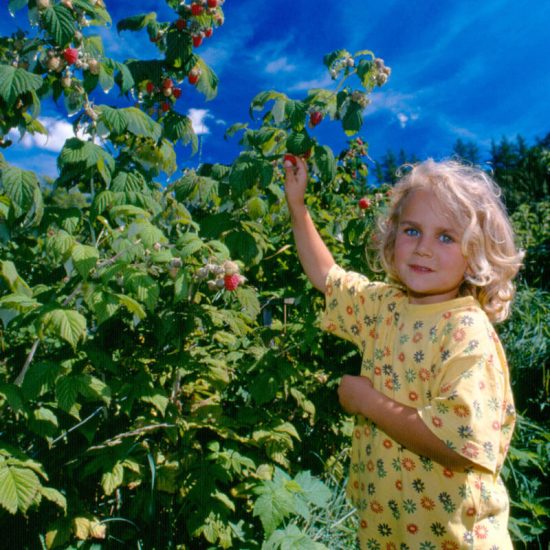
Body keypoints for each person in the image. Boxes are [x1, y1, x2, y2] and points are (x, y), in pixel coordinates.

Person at [283, 155, 524, 549]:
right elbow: (327, 278)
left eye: (446, 237)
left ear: (475, 254)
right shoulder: (386, 307)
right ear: (393, 238)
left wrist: (367, 401)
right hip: (388, 527)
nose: (424, 249)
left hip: (453, 537)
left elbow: (457, 442)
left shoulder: (466, 331)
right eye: (412, 231)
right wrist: (298, 206)